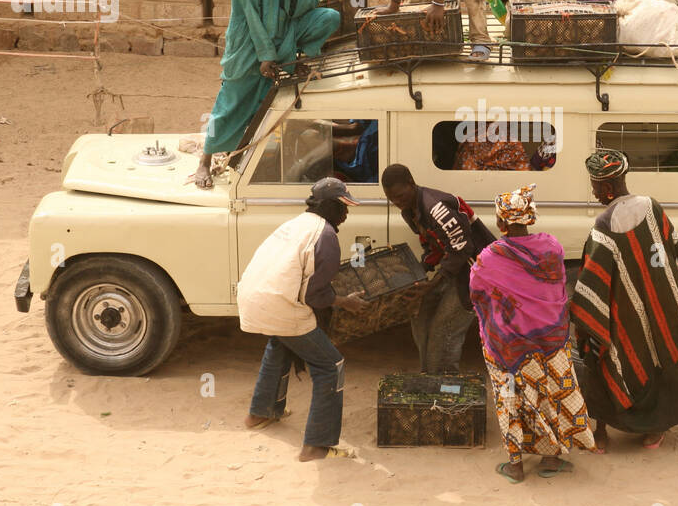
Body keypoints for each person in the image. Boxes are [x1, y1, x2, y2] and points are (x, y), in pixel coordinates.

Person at [569, 149, 678, 452]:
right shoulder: (653, 208)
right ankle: (654, 430)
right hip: (667, 307)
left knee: (600, 356)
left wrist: (587, 323)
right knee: (664, 359)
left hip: (625, 317)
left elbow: (593, 288)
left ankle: (600, 433)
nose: (593, 191)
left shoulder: (603, 228)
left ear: (608, 188)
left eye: (595, 186)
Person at [194, 0, 341, 188]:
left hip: (285, 33)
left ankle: (302, 58)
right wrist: (265, 56)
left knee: (330, 17)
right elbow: (250, 14)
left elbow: (312, 0)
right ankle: (204, 160)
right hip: (250, 42)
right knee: (231, 101)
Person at [470, 184, 595, 483]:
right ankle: (550, 459)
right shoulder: (552, 248)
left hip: (507, 345)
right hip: (549, 341)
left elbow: (476, 294)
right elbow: (558, 290)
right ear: (531, 218)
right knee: (551, 395)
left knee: (510, 399)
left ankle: (515, 465)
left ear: (501, 223)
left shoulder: (489, 257)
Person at [238, 177, 368, 460]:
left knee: (281, 343)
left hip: (252, 297)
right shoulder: (326, 236)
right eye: (343, 206)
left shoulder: (294, 224)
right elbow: (314, 296)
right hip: (281, 305)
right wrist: (344, 301)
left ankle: (260, 414)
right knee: (331, 366)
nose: (346, 213)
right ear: (328, 206)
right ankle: (316, 446)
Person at [381, 163, 495, 374]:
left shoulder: (436, 208)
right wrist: (419, 271)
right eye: (392, 199)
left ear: (411, 184)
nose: (397, 203)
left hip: (477, 272)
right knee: (420, 312)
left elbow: (462, 249)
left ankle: (445, 384)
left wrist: (432, 283)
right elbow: (433, 246)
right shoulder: (410, 211)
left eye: (400, 196)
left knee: (444, 330)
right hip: (456, 269)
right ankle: (430, 374)